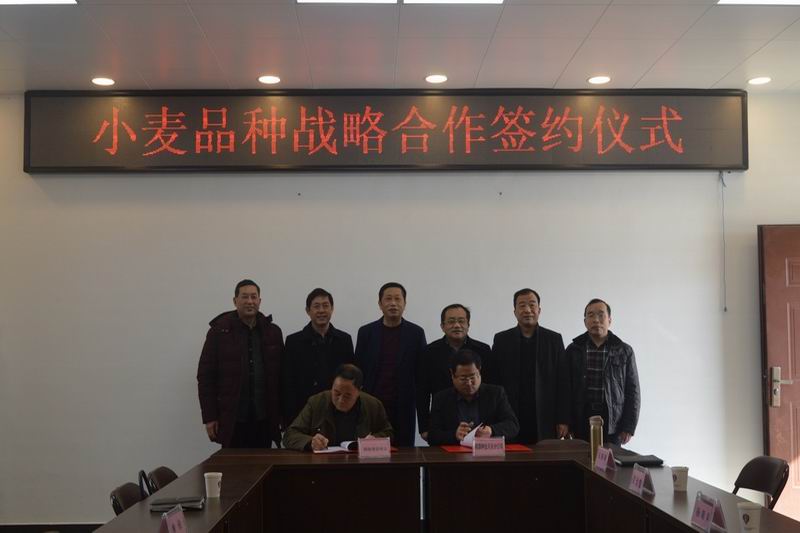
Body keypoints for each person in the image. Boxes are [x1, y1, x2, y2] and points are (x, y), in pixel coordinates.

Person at [197, 279, 284, 448]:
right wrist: (210, 417)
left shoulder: (273, 332)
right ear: (235, 301)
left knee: (264, 462)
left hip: (264, 417)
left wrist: (282, 415)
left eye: (254, 297)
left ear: (260, 301)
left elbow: (281, 376)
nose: (250, 301)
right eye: (245, 297)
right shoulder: (219, 332)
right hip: (232, 418)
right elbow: (206, 377)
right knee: (232, 463)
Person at [484, 288, 569, 443]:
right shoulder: (502, 340)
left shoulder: (554, 340)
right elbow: (493, 381)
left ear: (539, 310)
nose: (527, 310)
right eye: (522, 305)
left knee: (544, 455)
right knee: (512, 456)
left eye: (532, 305)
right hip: (510, 413)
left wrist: (563, 419)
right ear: (515, 312)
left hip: (545, 414)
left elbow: (563, 382)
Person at [355, 282, 427, 447]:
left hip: (404, 405)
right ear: (380, 304)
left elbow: (421, 374)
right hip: (372, 405)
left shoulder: (416, 333)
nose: (393, 303)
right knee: (371, 450)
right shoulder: (366, 332)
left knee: (404, 452)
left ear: (405, 303)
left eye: (397, 299)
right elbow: (358, 370)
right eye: (388, 299)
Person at [565, 298, 640, 445]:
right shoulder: (573, 350)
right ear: (585, 321)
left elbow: (633, 390)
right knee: (581, 458)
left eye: (601, 315)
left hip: (613, 419)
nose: (596, 320)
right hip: (581, 417)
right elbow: (565, 389)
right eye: (591, 315)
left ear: (609, 320)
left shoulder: (624, 350)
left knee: (610, 459)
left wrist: (629, 426)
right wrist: (566, 421)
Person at [416, 303, 491, 441]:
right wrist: (424, 427)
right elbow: (422, 391)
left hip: (478, 420)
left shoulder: (483, 350)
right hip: (443, 421)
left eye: (461, 321)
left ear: (468, 324)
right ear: (442, 326)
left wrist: (490, 427)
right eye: (451, 321)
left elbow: (491, 388)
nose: (457, 325)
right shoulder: (429, 352)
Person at [281, 288, 354, 427]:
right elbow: (288, 382)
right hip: (303, 411)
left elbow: (350, 379)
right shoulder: (293, 341)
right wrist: (289, 418)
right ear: (308, 311)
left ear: (332, 309)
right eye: (316, 306)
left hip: (337, 410)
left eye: (326, 306)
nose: (321, 310)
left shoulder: (344, 340)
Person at [283, 364, 394, 451]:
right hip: (323, 464)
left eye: (347, 396)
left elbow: (388, 433)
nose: (340, 400)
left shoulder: (373, 405)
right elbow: (290, 435)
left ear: (359, 391)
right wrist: (310, 442)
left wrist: (376, 439)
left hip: (359, 464)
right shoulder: (316, 402)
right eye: (336, 393)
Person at [427, 349, 519, 445]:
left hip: (488, 451)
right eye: (463, 379)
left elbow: (513, 425)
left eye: (472, 377)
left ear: (479, 371)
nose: (469, 383)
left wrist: (491, 430)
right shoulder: (441, 399)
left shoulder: (496, 394)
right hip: (455, 452)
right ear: (453, 376)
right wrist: (454, 435)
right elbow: (432, 436)